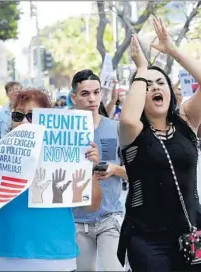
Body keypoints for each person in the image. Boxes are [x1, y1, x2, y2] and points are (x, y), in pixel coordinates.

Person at [0, 89, 103, 271]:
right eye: (18, 115)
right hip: (8, 257)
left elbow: (92, 206)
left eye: (32, 115)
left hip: (58, 258)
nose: (24, 121)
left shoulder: (66, 156)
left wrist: (87, 169)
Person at [117, 18, 201, 271]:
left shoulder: (186, 120)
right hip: (146, 238)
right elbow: (129, 117)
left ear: (170, 91)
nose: (154, 88)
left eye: (160, 83)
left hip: (192, 231)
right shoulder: (133, 131)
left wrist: (172, 48)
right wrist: (141, 67)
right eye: (146, 86)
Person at [70, 69, 127, 271]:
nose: (92, 98)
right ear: (74, 98)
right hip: (75, 220)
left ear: (102, 94)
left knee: (114, 268)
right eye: (85, 94)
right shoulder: (62, 132)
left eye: (96, 92)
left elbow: (136, 172)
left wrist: (114, 169)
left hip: (110, 217)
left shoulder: (117, 128)